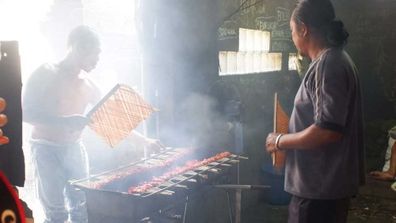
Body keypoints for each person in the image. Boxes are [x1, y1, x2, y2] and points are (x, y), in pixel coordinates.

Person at [22, 25, 162, 223]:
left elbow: (113, 119)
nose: (97, 61)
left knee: (82, 207)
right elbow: (25, 113)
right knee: (56, 212)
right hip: (45, 150)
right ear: (78, 48)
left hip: (74, 149)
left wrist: (144, 141)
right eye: (95, 55)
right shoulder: (45, 73)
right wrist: (65, 122)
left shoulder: (89, 84)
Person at [265, 0, 365, 223]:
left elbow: (328, 130)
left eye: (292, 30)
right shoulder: (332, 61)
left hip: (319, 191)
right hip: (322, 190)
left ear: (303, 29)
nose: (292, 37)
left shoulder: (328, 64)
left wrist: (280, 140)